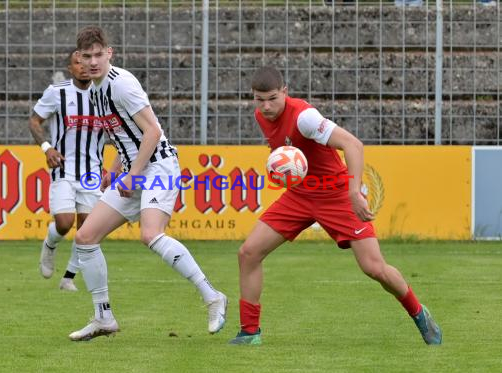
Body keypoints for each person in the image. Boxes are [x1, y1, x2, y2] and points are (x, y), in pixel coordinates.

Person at [229, 66, 442, 346]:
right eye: (259, 99)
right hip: (300, 195)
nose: (266, 106)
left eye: (272, 98)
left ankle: (419, 313)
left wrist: (354, 192)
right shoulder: (260, 115)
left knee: (373, 267)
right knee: (248, 253)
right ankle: (249, 333)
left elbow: (353, 145)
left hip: (337, 195)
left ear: (285, 92)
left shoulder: (305, 118)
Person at [67, 26, 227, 341]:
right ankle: (104, 318)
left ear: (109, 53)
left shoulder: (122, 84)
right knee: (85, 237)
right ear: (79, 59)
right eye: (87, 56)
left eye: (99, 54)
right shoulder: (95, 89)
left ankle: (213, 296)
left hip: (158, 166)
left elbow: (152, 132)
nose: (94, 61)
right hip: (136, 168)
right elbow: (123, 134)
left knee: (151, 234)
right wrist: (115, 168)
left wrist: (132, 174)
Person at [29, 49, 106, 292]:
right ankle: (50, 246)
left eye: (86, 60)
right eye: (77, 62)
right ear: (71, 67)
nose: (83, 66)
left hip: (92, 171)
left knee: (87, 231)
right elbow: (34, 121)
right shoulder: (57, 93)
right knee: (64, 223)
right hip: (63, 169)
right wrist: (46, 147)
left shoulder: (104, 93)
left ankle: (68, 277)